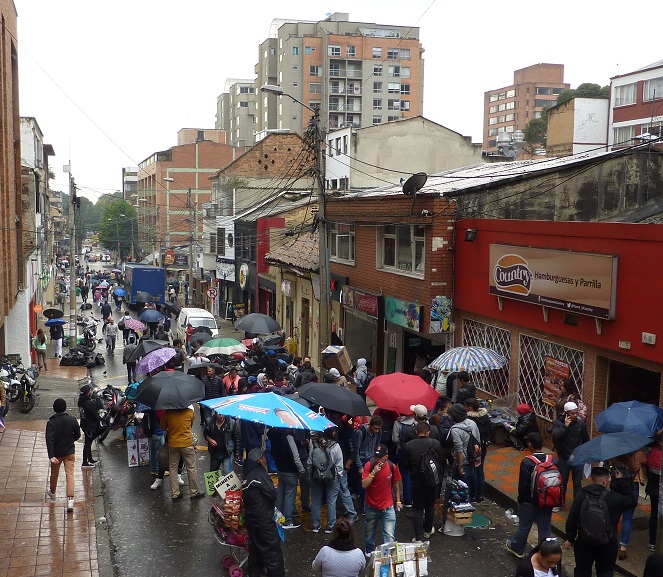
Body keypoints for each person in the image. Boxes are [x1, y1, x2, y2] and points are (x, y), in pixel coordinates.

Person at [564, 466, 638, 577]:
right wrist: (620, 480)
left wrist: (570, 538)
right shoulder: (614, 498)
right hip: (607, 543)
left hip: (584, 541)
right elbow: (632, 501)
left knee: (582, 570)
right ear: (605, 481)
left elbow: (572, 518)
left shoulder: (581, 495)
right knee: (605, 571)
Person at [506, 433, 556, 559]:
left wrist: (521, 500)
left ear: (530, 445)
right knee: (545, 528)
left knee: (524, 525)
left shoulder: (528, 461)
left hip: (529, 502)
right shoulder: (552, 460)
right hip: (547, 500)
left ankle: (517, 548)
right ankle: (546, 553)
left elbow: (523, 485)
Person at [242, 447, 286, 577]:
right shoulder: (259, 473)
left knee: (256, 550)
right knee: (273, 555)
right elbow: (271, 494)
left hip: (252, 521)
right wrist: (273, 487)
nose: (266, 461)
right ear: (260, 459)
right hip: (264, 521)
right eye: (264, 458)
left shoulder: (248, 475)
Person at [403, 422, 444, 541]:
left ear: (416, 432)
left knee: (418, 508)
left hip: (417, 481)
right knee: (430, 506)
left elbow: (406, 465)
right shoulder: (435, 443)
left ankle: (419, 536)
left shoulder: (409, 445)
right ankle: (427, 530)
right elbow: (441, 461)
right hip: (432, 480)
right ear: (429, 432)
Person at [361, 444, 403, 558]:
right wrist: (373, 472)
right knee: (369, 532)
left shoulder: (392, 467)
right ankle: (369, 548)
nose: (377, 460)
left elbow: (396, 484)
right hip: (371, 506)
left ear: (386, 456)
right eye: (376, 456)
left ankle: (389, 554)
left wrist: (398, 501)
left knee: (389, 535)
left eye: (380, 457)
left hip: (387, 507)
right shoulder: (369, 466)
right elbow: (364, 485)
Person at [160, 406, 205, 500]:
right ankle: (194, 492)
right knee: (191, 468)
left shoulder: (167, 413)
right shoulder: (189, 412)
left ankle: (175, 493)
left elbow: (163, 427)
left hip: (173, 444)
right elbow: (190, 425)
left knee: (173, 468)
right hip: (187, 444)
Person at [46, 398, 81, 513]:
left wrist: (51, 455)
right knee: (70, 474)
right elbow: (77, 434)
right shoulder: (72, 420)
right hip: (69, 452)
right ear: (65, 407)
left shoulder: (51, 423)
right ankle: (70, 500)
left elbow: (49, 439)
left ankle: (53, 493)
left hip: (56, 454)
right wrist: (70, 441)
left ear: (54, 409)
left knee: (54, 474)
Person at [552, 401, 589, 507]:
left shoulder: (580, 424)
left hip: (577, 458)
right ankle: (559, 503)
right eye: (572, 413)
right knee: (562, 482)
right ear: (566, 413)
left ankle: (577, 506)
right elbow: (555, 436)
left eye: (576, 413)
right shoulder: (559, 423)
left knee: (577, 483)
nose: (575, 415)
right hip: (564, 457)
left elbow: (586, 439)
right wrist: (565, 426)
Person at [612, 449, 647, 560]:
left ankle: (611, 542)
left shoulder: (616, 449)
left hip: (618, 487)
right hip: (632, 487)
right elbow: (647, 462)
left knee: (614, 516)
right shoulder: (639, 452)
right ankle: (623, 547)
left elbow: (611, 463)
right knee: (628, 518)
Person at [308, 428, 344, 533]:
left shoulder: (314, 444)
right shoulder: (335, 446)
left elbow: (310, 462)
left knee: (315, 501)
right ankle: (330, 526)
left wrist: (312, 474)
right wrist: (338, 475)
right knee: (331, 502)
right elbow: (339, 463)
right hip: (332, 477)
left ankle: (315, 525)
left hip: (316, 477)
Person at [269, 426, 305, 529]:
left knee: (281, 493)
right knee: (290, 495)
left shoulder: (274, 435)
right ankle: (288, 521)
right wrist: (301, 470)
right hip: (290, 471)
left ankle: (279, 518)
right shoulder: (288, 437)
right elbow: (296, 457)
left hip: (280, 469)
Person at [449, 402, 481, 502]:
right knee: (471, 482)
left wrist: (460, 465)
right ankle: (470, 500)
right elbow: (478, 441)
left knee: (459, 487)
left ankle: (461, 507)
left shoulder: (455, 430)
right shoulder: (472, 423)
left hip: (463, 461)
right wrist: (478, 457)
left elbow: (459, 449)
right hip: (472, 459)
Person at [465, 398, 494, 502]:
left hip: (473, 448)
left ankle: (472, 495)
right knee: (480, 470)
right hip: (483, 447)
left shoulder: (469, 420)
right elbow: (492, 430)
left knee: (473, 471)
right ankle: (480, 495)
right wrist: (487, 442)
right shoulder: (485, 417)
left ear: (470, 407)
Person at [77, 385, 104, 467]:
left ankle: (90, 459)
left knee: (88, 442)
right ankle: (85, 462)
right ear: (88, 392)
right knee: (88, 444)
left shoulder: (81, 401)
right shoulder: (89, 403)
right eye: (90, 390)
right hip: (89, 425)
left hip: (85, 424)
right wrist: (101, 416)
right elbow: (97, 415)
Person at [646, 436, 662, 552]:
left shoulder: (652, 453)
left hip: (653, 489)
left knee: (654, 514)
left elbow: (648, 470)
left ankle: (652, 542)